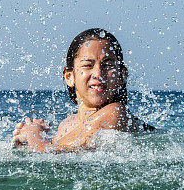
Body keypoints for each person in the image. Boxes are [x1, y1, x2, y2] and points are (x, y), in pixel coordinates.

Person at [12, 28, 153, 152]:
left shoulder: (115, 113)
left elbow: (45, 153)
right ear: (69, 77)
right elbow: (57, 155)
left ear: (122, 76)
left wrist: (32, 132)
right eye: (88, 65)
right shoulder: (67, 123)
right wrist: (29, 138)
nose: (98, 73)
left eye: (107, 65)